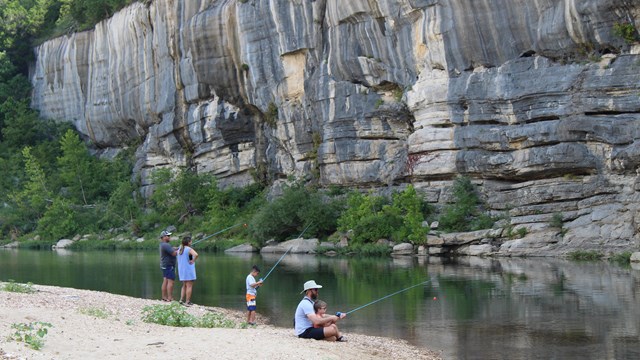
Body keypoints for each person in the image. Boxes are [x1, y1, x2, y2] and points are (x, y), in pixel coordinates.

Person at [176, 236, 198, 306]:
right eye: (191, 241)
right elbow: (196, 255)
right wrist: (193, 260)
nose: (191, 242)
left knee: (184, 285)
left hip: (181, 270)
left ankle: (181, 300)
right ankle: (187, 301)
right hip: (188, 270)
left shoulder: (180, 248)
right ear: (189, 242)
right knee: (189, 286)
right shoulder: (188, 249)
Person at [159, 230, 177, 302]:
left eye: (169, 236)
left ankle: (164, 297)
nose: (169, 237)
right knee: (171, 281)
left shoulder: (162, 244)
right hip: (169, 265)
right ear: (163, 237)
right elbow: (174, 254)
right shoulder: (166, 245)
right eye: (168, 236)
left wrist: (175, 248)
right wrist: (181, 250)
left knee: (165, 281)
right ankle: (170, 298)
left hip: (164, 265)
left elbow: (171, 250)